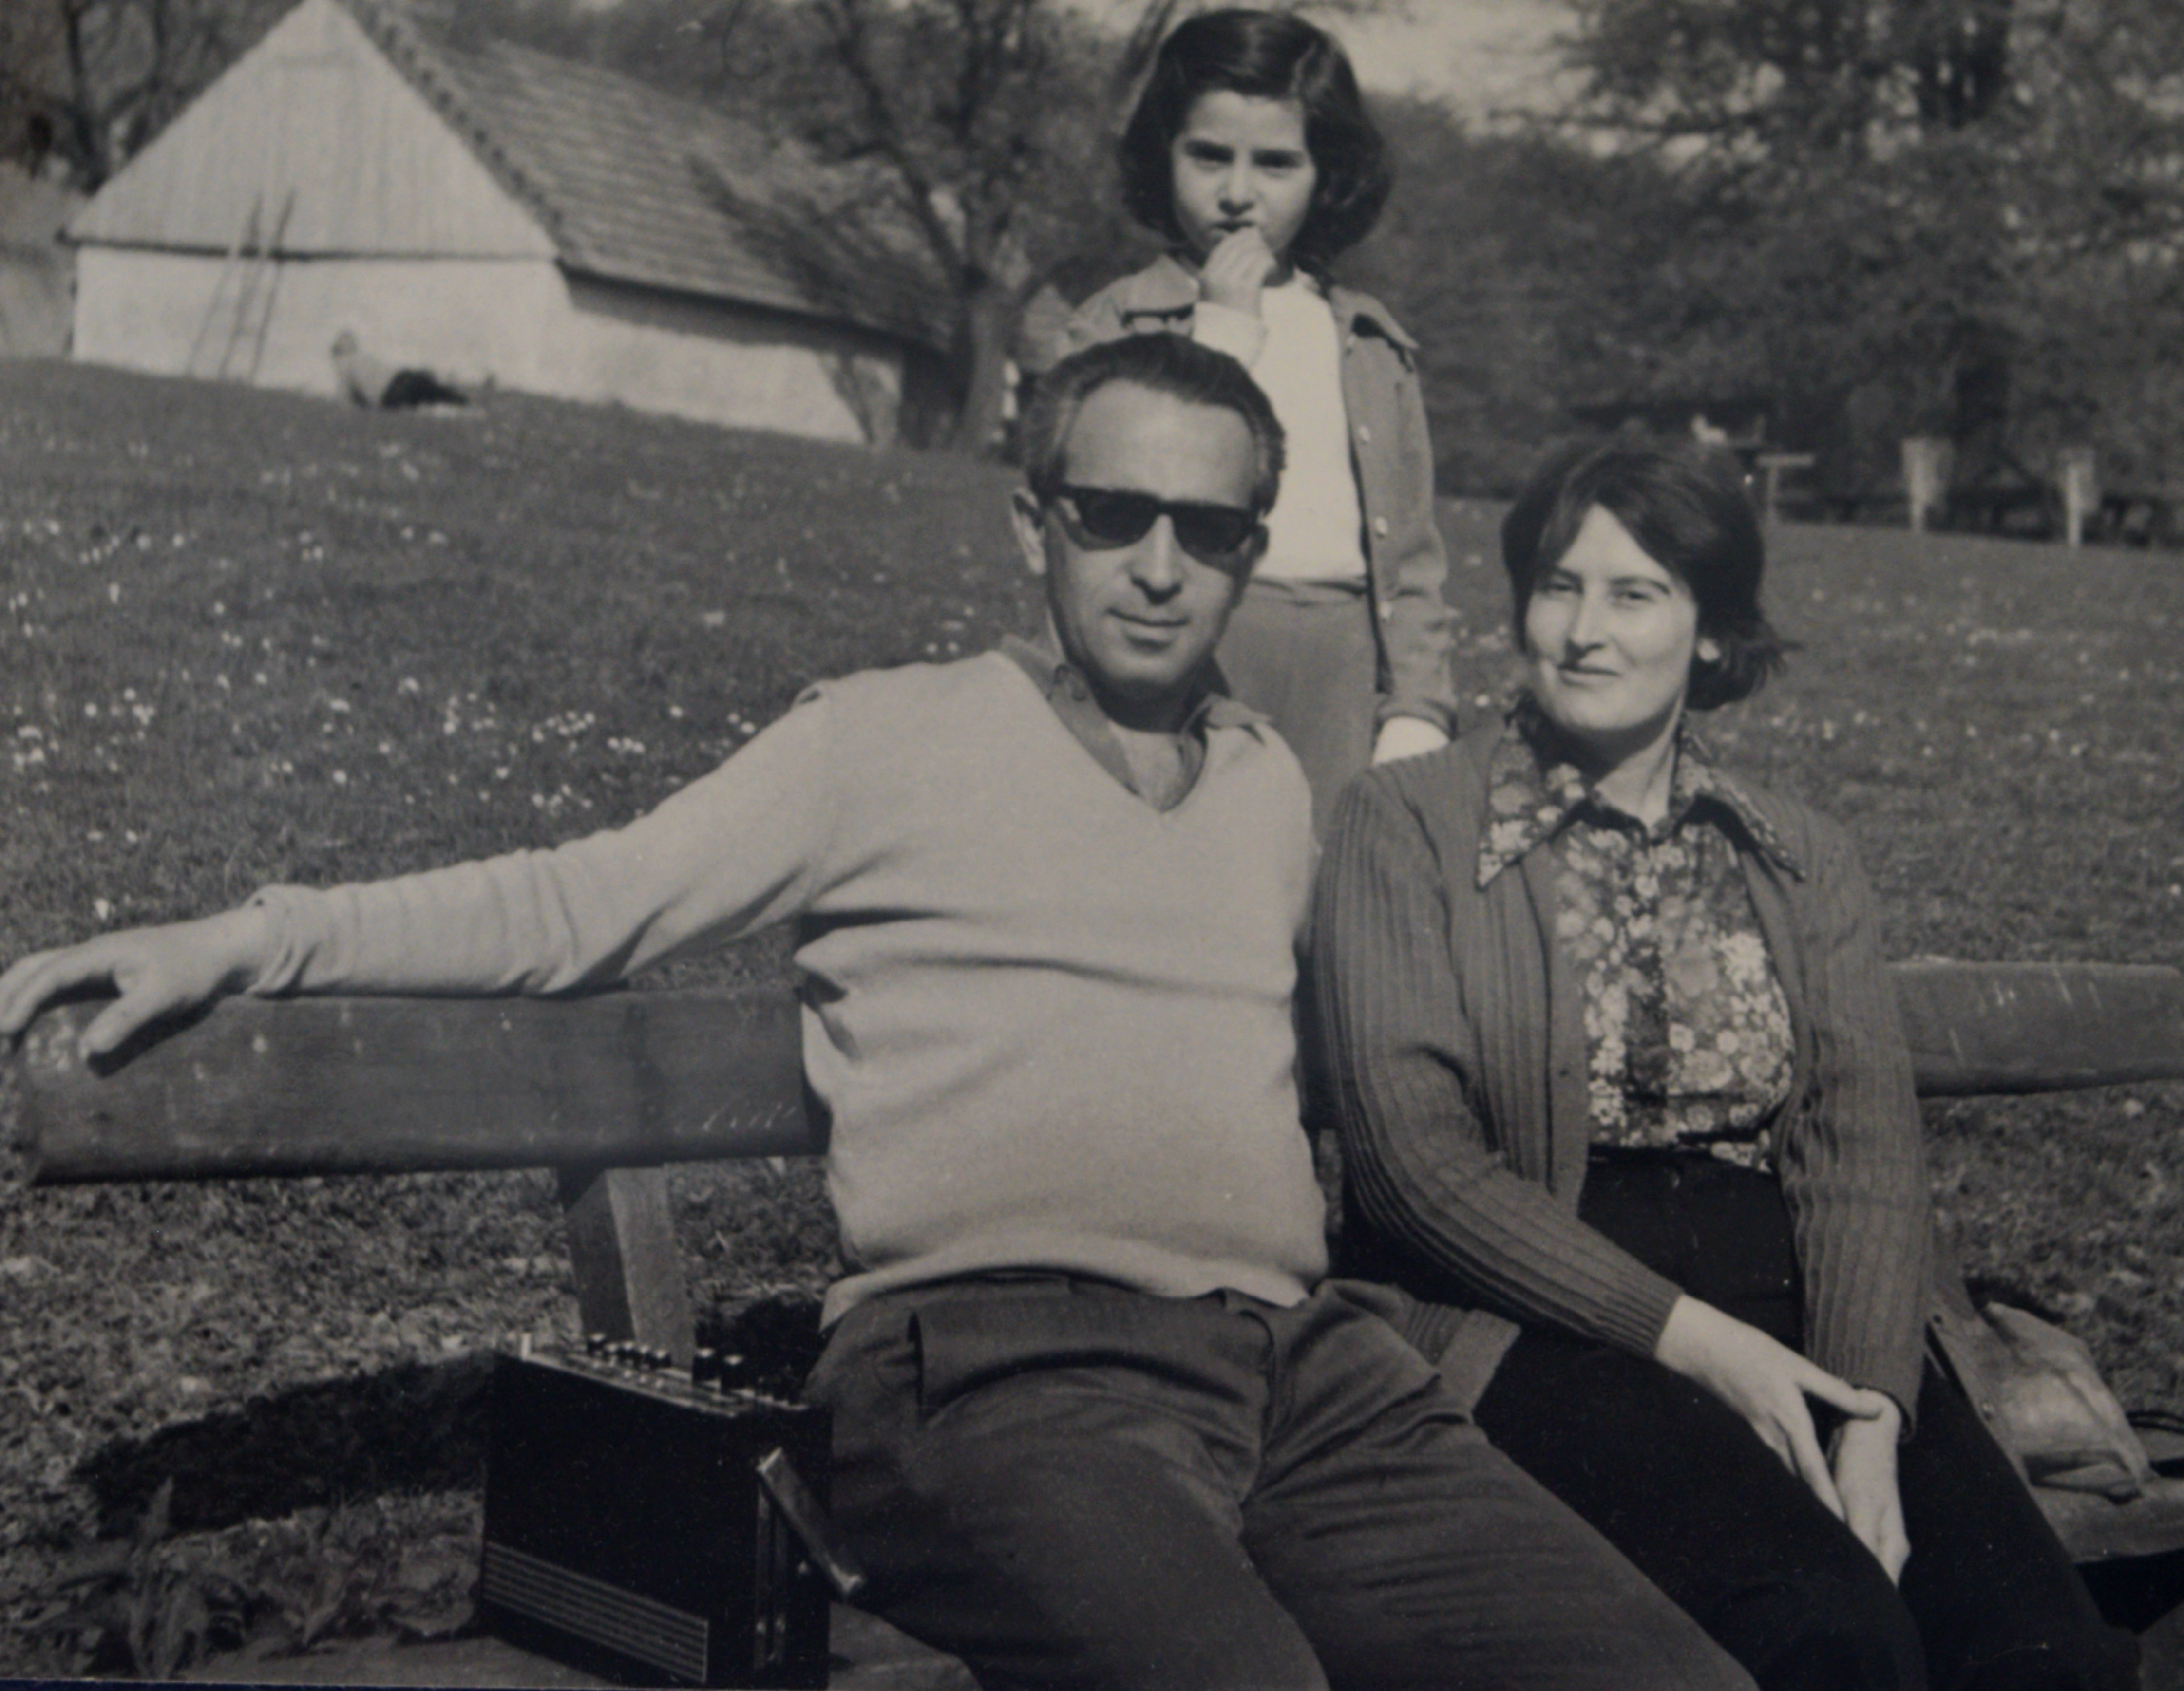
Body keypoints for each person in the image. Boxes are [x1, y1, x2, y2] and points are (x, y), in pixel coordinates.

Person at [0, 336, 1754, 1691]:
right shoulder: (879, 741)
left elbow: (1395, 1037)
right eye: (1111, 514)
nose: (1157, 565)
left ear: (1247, 558)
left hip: (1298, 1374)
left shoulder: (1265, 785)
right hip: (995, 1381)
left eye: (1209, 529)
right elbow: (575, 905)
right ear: (1032, 525)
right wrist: (247, 939)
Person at [1309, 438, 2140, 1691]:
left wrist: (1872, 1412)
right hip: (1534, 1315)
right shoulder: (1405, 821)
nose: (1583, 630)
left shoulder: (1800, 853)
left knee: (2043, 1652)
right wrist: (1695, 1341)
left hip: (1797, 1300)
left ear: (1710, 633)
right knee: (1823, 1626)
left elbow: (1859, 1153)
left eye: (1634, 593)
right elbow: (1412, 1163)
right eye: (1557, 586)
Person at [1066, 8, 1456, 832]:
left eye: (1277, 163)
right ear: (1164, 154)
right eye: (1209, 156)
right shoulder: (1117, 323)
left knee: (1325, 870)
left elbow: (1414, 556)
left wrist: (1417, 706)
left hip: (1341, 654)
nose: (1239, 195)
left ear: (1327, 176)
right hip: (1183, 643)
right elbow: (1103, 496)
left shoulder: (1369, 342)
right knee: (1175, 850)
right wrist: (1221, 336)